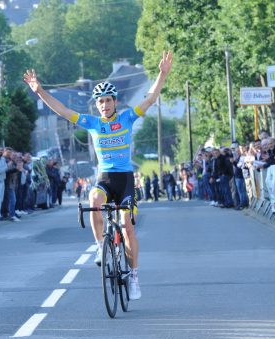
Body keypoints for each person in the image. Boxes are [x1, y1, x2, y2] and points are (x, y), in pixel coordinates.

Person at [24, 50, 173, 300]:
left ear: (115, 102)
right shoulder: (93, 123)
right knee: (93, 201)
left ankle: (134, 276)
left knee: (127, 227)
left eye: (108, 101)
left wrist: (162, 74)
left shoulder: (126, 118)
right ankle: (100, 245)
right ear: (97, 105)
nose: (104, 105)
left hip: (125, 180)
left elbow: (150, 98)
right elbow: (61, 110)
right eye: (100, 102)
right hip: (104, 178)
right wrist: (40, 91)